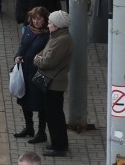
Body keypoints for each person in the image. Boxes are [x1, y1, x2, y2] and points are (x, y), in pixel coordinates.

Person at [33, 10, 73, 157]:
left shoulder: (62, 40)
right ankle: (57, 143)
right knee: (53, 115)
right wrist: (40, 57)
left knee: (55, 116)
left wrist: (37, 59)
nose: (48, 24)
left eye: (50, 22)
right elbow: (45, 52)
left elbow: (47, 61)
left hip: (54, 84)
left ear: (57, 25)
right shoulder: (56, 36)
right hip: (51, 82)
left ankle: (59, 146)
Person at [13, 7, 51, 144]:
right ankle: (29, 128)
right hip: (24, 70)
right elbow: (22, 46)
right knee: (24, 100)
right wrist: (17, 56)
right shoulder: (28, 30)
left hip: (38, 74)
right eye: (33, 18)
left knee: (40, 103)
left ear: (45, 20)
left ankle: (41, 132)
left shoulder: (48, 35)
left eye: (39, 18)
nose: (35, 21)